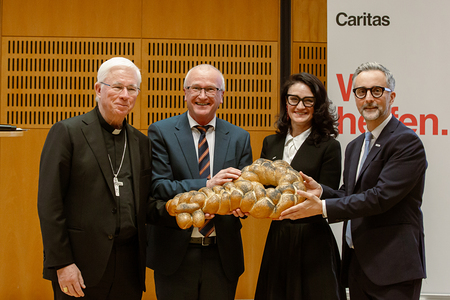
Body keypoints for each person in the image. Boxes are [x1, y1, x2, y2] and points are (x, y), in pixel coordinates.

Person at [281, 62, 427, 299]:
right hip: (358, 265)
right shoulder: (355, 146)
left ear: (392, 97)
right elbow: (349, 193)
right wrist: (322, 192)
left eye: (376, 91)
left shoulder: (406, 142)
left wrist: (323, 208)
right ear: (355, 98)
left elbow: (379, 198)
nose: (368, 98)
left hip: (393, 268)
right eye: (361, 92)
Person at [38, 57, 154, 299]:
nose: (125, 95)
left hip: (128, 267)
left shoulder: (140, 142)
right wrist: (62, 263)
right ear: (99, 89)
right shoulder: (68, 132)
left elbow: (146, 203)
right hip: (79, 266)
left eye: (132, 89)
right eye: (117, 87)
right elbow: (50, 204)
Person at [146, 64, 253, 300]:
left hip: (222, 254)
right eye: (196, 88)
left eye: (210, 89)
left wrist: (241, 206)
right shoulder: (161, 132)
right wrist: (207, 185)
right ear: (185, 92)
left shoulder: (239, 137)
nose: (202, 96)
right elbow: (159, 186)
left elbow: (246, 191)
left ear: (222, 96)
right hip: (175, 254)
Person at [254, 73, 345, 300]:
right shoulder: (270, 143)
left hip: (313, 241)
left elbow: (329, 195)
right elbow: (262, 189)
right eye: (293, 99)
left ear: (318, 105)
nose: (300, 106)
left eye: (308, 101)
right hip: (278, 235)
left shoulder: (329, 146)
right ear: (286, 102)